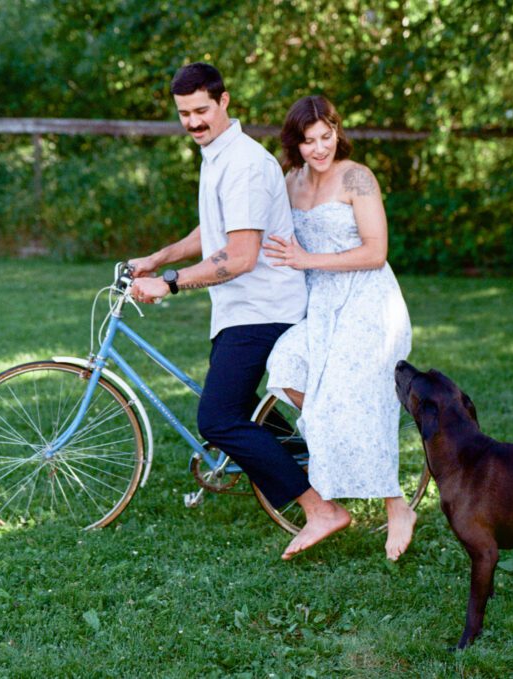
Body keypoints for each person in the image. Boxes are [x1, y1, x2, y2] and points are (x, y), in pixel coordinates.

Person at [128, 63, 350, 558]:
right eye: (184, 114)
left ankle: (321, 509)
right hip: (242, 309)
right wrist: (159, 257)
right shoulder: (217, 156)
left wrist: (169, 283)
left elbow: (242, 256)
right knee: (245, 408)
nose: (193, 122)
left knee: (219, 418)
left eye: (202, 110)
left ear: (225, 102)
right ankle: (311, 469)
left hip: (263, 309)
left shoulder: (245, 163)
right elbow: (215, 231)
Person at [263, 95, 417, 561]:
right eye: (308, 141)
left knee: (355, 396)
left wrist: (309, 259)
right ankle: (333, 462)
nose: (319, 148)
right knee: (284, 366)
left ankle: (396, 504)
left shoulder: (357, 176)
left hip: (370, 303)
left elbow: (375, 251)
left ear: (337, 130)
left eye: (326, 136)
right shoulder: (290, 181)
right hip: (322, 307)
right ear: (295, 143)